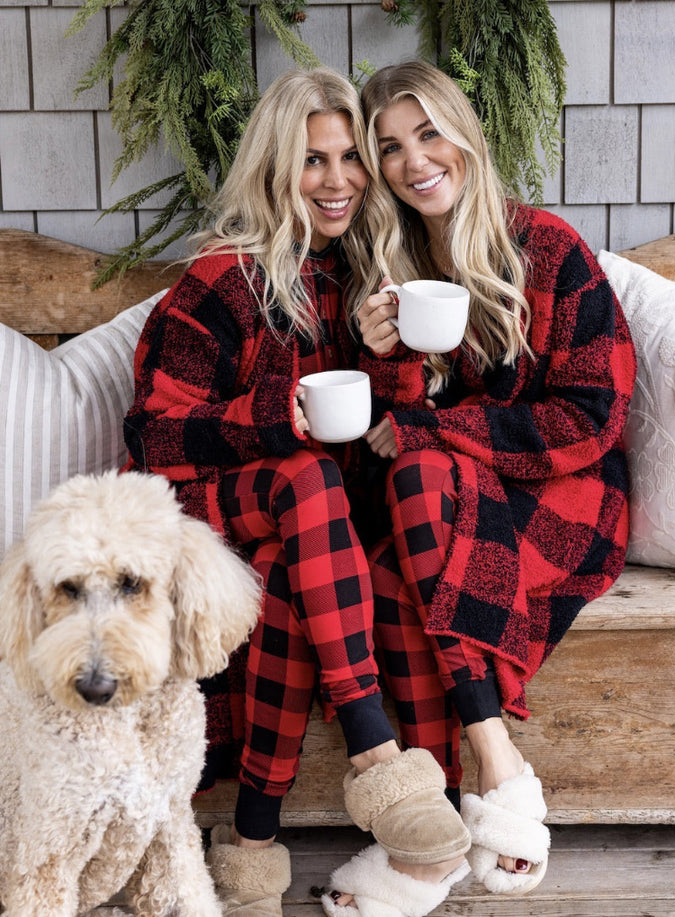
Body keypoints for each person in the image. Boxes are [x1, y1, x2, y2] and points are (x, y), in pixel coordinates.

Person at [123, 67, 471, 917]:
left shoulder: (363, 275)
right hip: (202, 510)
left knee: (290, 566)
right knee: (305, 475)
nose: (340, 180)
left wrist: (394, 361)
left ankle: (250, 844)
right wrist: (275, 418)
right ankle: (373, 751)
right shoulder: (221, 279)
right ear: (278, 168)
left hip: (305, 538)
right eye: (314, 161)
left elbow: (384, 439)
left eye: (353, 158)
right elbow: (154, 438)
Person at [320, 60, 636, 914]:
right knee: (392, 564)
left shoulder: (547, 247)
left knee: (424, 485)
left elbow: (590, 418)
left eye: (428, 132)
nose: (413, 160)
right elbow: (387, 443)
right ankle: (449, 816)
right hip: (448, 499)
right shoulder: (388, 268)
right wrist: (384, 359)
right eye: (388, 146)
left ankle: (460, 805)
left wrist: (435, 430)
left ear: (463, 133)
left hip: (566, 493)